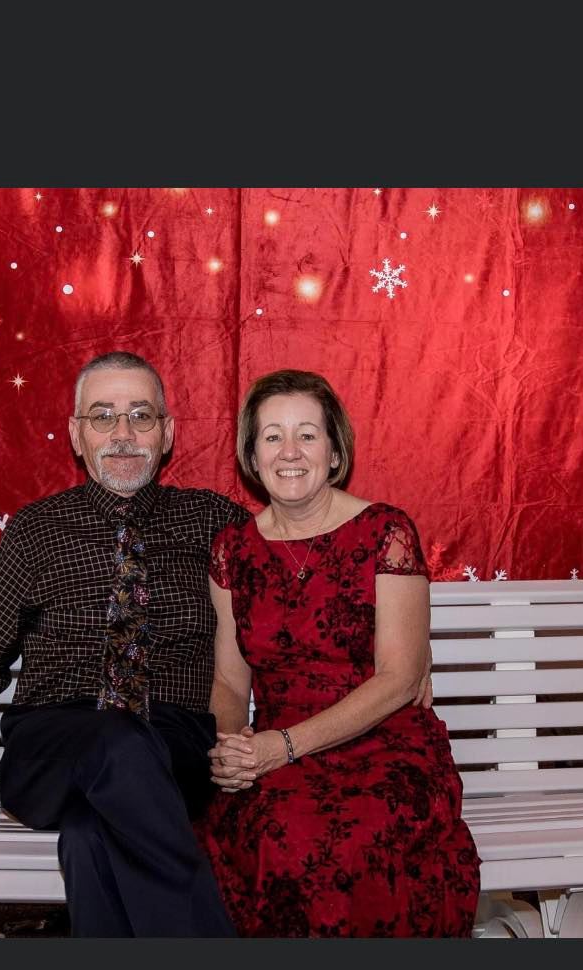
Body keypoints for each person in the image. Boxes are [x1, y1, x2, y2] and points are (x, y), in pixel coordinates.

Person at [0, 351, 250, 937]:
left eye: (141, 416)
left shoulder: (214, 521)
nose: (123, 434)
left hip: (174, 747)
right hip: (53, 748)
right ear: (76, 436)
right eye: (103, 417)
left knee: (89, 837)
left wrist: (392, 655)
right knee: (113, 739)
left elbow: (290, 589)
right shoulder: (37, 530)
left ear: (168, 434)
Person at [196, 369, 481, 937]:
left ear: (334, 451)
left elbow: (401, 678)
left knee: (339, 843)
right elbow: (230, 681)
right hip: (276, 749)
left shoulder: (386, 532)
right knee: (271, 831)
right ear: (252, 456)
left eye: (308, 433)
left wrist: (283, 747)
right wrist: (234, 748)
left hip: (385, 742)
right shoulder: (233, 549)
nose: (290, 451)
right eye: (272, 436)